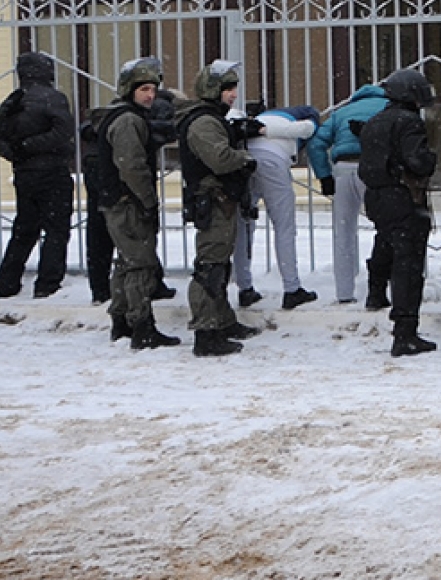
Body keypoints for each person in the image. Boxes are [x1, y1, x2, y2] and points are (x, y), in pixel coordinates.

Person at [86, 57, 180, 349]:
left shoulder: (118, 115)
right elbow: (132, 166)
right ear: (130, 90)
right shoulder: (128, 120)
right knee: (140, 263)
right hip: (128, 202)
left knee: (126, 263)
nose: (150, 95)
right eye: (144, 90)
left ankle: (121, 321)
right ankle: (142, 327)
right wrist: (148, 200)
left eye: (153, 89)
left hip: (116, 200)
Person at [175, 60, 262, 357]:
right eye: (227, 89)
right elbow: (220, 158)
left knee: (220, 264)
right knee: (210, 266)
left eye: (233, 88)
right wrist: (244, 158)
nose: (233, 94)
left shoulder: (211, 118)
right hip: (213, 200)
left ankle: (222, 322)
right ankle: (205, 332)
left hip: (220, 199)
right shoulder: (203, 121)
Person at [357, 67, 440, 357]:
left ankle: (376, 292)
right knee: (408, 264)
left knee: (386, 245)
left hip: (377, 196)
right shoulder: (409, 122)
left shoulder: (375, 121)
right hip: (403, 196)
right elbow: (417, 161)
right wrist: (430, 159)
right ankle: (405, 332)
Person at [305, 81, 391, 306]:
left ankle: (344, 292)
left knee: (343, 230)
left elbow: (315, 144)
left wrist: (324, 176)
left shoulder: (341, 112)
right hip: (375, 169)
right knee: (387, 229)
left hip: (342, 170)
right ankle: (383, 287)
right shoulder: (389, 107)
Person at [0, 52, 76, 300]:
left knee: (25, 228)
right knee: (56, 229)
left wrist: (17, 153)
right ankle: (48, 283)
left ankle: (7, 281)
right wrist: (31, 147)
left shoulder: (13, 101)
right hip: (52, 172)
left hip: (24, 173)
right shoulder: (53, 98)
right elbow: (63, 132)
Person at [232, 104, 320, 311]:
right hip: (273, 161)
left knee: (244, 226)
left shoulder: (254, 121)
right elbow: (308, 130)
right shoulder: (302, 119)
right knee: (284, 226)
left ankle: (245, 288)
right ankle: (292, 289)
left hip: (245, 159)